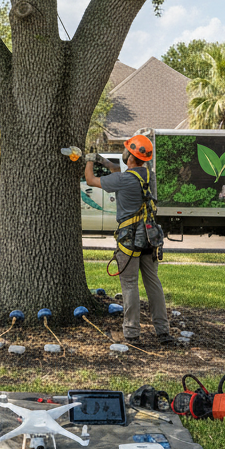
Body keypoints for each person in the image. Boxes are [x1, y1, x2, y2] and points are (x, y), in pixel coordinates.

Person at [84, 133, 172, 345]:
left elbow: (90, 180)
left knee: (130, 284)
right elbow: (118, 171)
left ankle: (132, 332)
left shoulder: (123, 180)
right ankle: (163, 331)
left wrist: (88, 159)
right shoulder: (148, 177)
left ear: (130, 156)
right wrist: (102, 161)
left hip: (129, 239)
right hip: (150, 237)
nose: (123, 155)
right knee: (153, 284)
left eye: (125, 151)